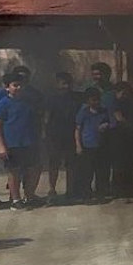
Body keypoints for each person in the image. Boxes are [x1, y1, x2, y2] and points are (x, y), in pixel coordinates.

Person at [0, 74, 39, 210]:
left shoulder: (29, 102)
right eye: (15, 85)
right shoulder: (2, 104)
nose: (19, 88)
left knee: (33, 169)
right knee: (14, 172)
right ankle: (15, 200)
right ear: (7, 87)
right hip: (12, 143)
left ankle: (29, 197)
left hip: (29, 142)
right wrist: (1, 145)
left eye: (21, 85)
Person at [44, 73, 81, 202]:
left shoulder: (76, 98)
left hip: (71, 135)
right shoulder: (51, 99)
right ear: (57, 84)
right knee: (54, 163)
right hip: (55, 136)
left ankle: (70, 191)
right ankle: (52, 189)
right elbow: (46, 118)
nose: (65, 86)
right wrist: (46, 134)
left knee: (71, 164)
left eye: (67, 83)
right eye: (62, 83)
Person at [74, 88, 113, 202]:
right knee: (87, 172)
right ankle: (86, 194)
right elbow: (77, 129)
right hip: (87, 146)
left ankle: (101, 193)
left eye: (97, 100)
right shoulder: (83, 112)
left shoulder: (104, 111)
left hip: (101, 145)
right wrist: (78, 145)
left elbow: (112, 123)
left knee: (101, 171)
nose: (96, 102)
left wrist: (106, 125)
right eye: (93, 100)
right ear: (88, 101)